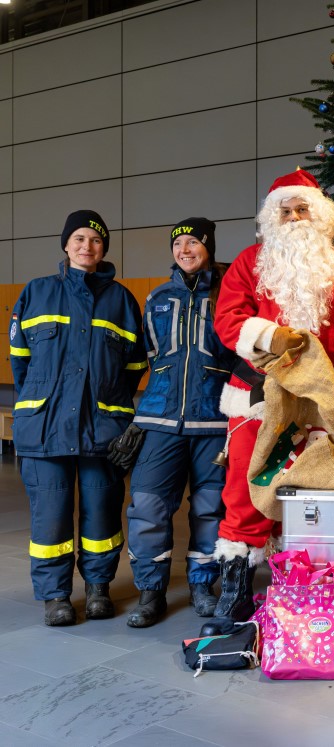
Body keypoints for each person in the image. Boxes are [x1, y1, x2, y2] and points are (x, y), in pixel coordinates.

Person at [204, 169, 334, 632]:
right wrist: (272, 336)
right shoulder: (251, 260)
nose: (293, 218)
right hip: (257, 392)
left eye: (301, 209)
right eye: (285, 211)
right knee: (247, 486)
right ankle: (236, 585)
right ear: (272, 218)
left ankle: (313, 585)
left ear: (320, 215)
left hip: (324, 396)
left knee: (320, 486)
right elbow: (228, 320)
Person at [9, 210, 147, 625]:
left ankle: (99, 588)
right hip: (46, 426)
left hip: (102, 428)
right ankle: (55, 596)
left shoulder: (121, 299)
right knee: (49, 517)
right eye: (80, 239)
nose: (87, 246)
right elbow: (21, 363)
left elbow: (134, 366)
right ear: (66, 244)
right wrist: (41, 399)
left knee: (102, 513)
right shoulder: (36, 292)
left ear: (104, 249)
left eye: (96, 240)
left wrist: (109, 403)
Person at [122, 218, 237, 628]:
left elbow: (237, 357)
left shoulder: (228, 295)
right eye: (178, 243)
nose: (184, 249)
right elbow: (152, 357)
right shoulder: (156, 298)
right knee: (148, 506)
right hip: (160, 419)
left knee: (210, 509)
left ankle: (202, 586)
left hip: (214, 421)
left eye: (193, 242)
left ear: (208, 246)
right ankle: (150, 592)